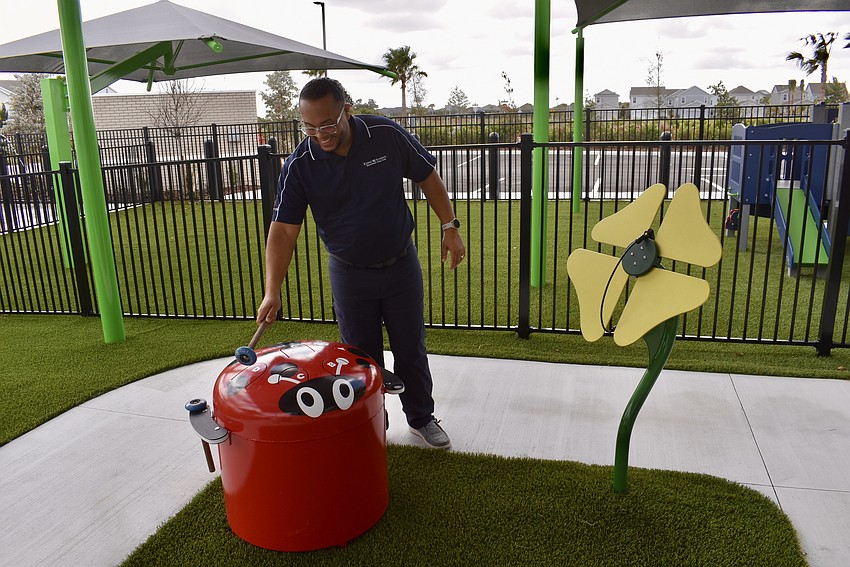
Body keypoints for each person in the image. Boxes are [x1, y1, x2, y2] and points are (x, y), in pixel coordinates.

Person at [256, 77, 465, 449]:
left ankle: (421, 418)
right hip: (349, 274)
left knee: (410, 348)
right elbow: (283, 231)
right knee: (358, 358)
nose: (320, 135)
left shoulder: (384, 134)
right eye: (309, 127)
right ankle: (371, 424)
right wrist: (272, 290)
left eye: (327, 124)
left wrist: (450, 226)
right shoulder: (300, 164)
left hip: (401, 265)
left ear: (346, 110)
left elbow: (427, 176)